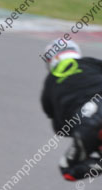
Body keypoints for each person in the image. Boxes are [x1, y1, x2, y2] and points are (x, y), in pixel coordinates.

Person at [41, 38, 102, 180]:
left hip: (88, 123)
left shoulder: (50, 84)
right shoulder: (90, 62)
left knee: (68, 169)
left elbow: (60, 128)